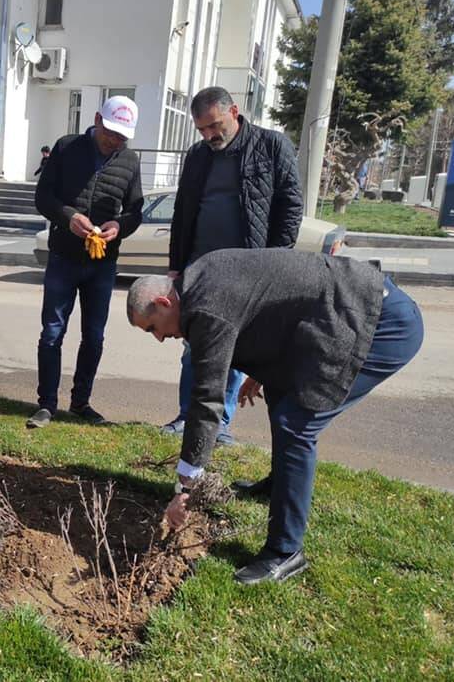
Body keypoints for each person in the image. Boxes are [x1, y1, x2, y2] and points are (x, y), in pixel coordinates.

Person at [126, 249, 423, 584]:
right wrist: (264, 371)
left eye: (153, 328)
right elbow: (267, 302)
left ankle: (285, 552)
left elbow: (207, 400)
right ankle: (280, 485)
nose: (161, 338)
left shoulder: (205, 308)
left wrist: (185, 485)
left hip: (380, 323)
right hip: (338, 314)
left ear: (165, 304)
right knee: (283, 393)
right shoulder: (199, 277)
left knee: (296, 424)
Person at [164, 86, 304, 446]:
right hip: (200, 269)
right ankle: (186, 416)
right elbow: (182, 213)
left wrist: (274, 264)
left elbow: (290, 207)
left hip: (248, 271)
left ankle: (220, 424)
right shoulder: (197, 156)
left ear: (234, 111)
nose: (210, 135)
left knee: (234, 349)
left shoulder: (272, 146)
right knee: (193, 347)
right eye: (202, 130)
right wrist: (176, 266)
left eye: (215, 125)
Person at [27, 95, 144, 429]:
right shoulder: (66, 148)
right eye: (110, 132)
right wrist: (68, 217)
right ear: (96, 119)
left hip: (102, 263)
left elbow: (135, 211)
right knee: (52, 332)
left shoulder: (130, 161)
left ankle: (81, 403)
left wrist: (120, 226)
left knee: (93, 336)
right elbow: (43, 198)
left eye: (122, 136)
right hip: (64, 256)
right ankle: (47, 404)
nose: (114, 140)